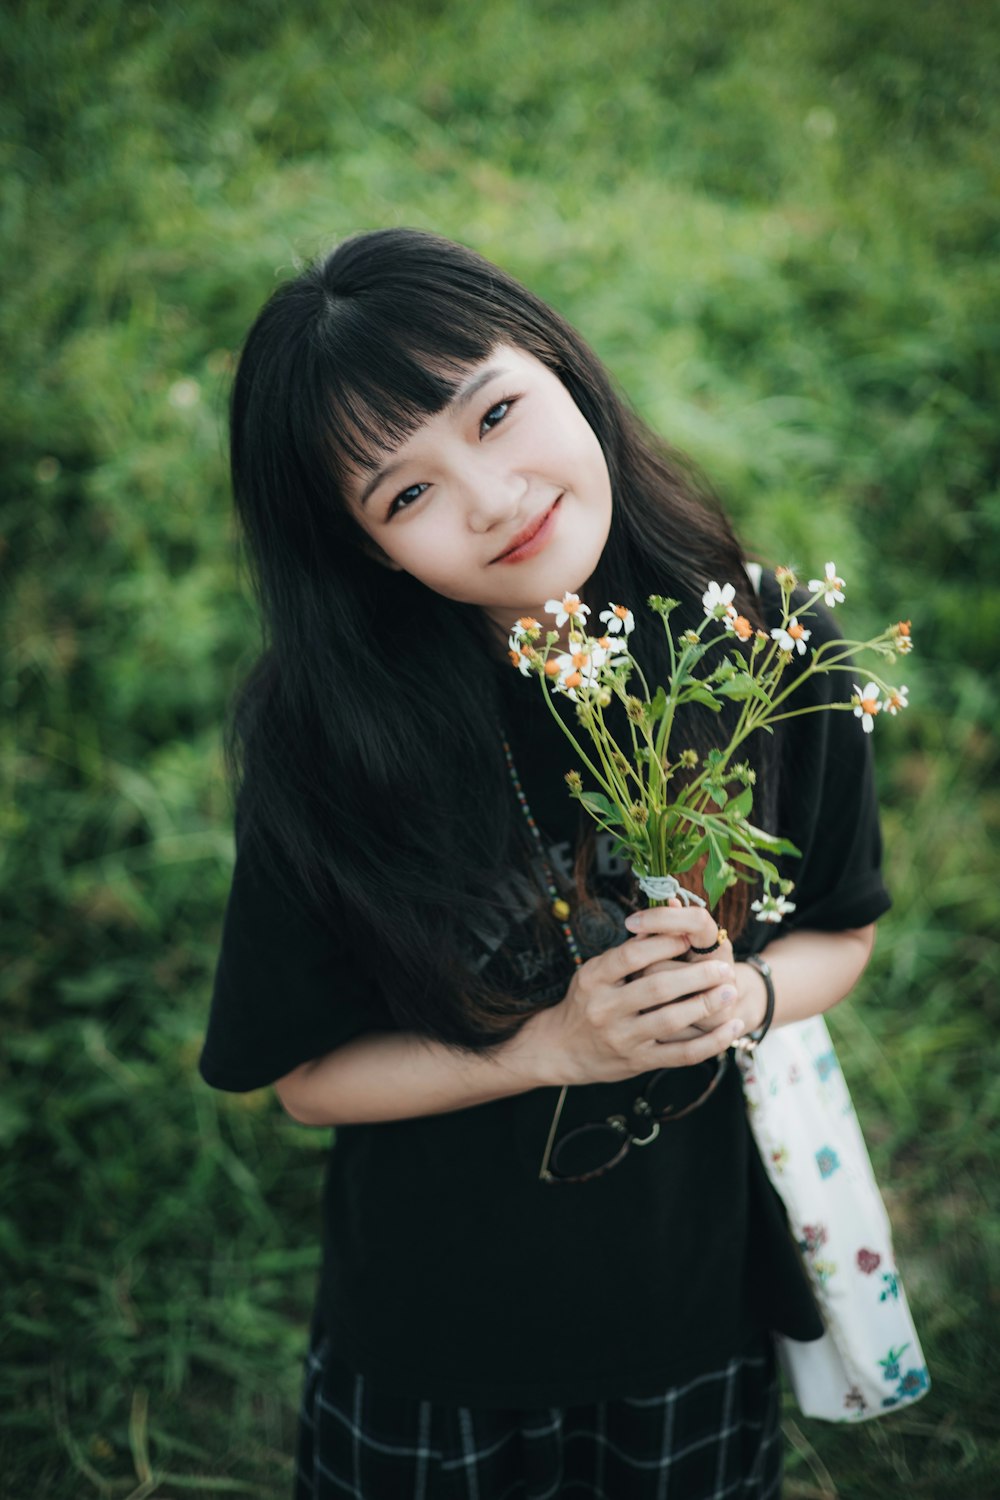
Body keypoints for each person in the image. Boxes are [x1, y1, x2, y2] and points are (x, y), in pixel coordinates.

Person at [199, 228, 891, 1499]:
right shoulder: (331, 744)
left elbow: (838, 933)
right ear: (366, 551)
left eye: (497, 413)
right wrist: (547, 1051)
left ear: (563, 366)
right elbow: (303, 1079)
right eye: (403, 495)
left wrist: (746, 995)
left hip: (692, 1309)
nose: (492, 497)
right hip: (434, 1340)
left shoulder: (768, 645)